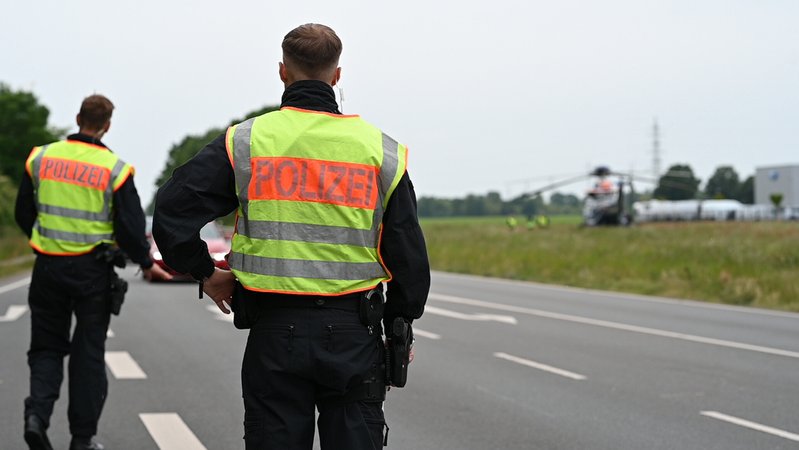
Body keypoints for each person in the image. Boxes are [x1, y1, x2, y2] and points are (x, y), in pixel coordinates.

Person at [153, 23, 430, 449]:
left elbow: (172, 213)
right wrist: (399, 322)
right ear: (337, 75)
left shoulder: (246, 142)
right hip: (354, 334)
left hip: (275, 332)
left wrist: (207, 273)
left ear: (283, 72)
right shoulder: (381, 151)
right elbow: (408, 255)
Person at [14, 94, 172, 450]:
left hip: (47, 268)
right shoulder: (114, 169)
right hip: (92, 273)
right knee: (88, 356)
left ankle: (36, 416)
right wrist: (147, 264)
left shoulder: (40, 158)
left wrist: (45, 240)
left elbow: (23, 212)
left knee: (46, 349)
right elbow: (131, 229)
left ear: (77, 118)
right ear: (107, 126)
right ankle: (81, 440)